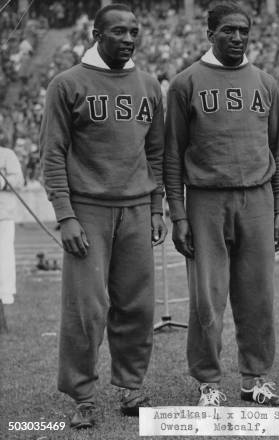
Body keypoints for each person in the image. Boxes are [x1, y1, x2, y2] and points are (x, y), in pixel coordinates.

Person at [40, 3, 166, 429]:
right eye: (118, 31)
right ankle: (83, 395)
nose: (129, 38)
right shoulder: (67, 83)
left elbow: (156, 153)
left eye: (134, 31)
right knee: (86, 308)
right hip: (88, 209)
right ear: (97, 33)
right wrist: (65, 215)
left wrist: (155, 206)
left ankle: (130, 385)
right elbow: (52, 154)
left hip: (135, 208)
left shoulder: (149, 84)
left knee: (136, 305)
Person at [164, 2, 279, 407]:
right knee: (207, 298)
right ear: (210, 33)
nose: (237, 37)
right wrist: (178, 213)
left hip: (258, 196)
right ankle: (208, 383)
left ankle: (255, 379)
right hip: (205, 199)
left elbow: (278, 151)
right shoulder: (186, 83)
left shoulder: (267, 84)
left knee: (257, 297)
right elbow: (172, 155)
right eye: (229, 30)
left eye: (244, 31)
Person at [0, 144, 24, 308]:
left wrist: (1, 181)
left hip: (3, 214)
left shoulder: (6, 154)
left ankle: (6, 292)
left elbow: (19, 180)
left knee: (4, 253)